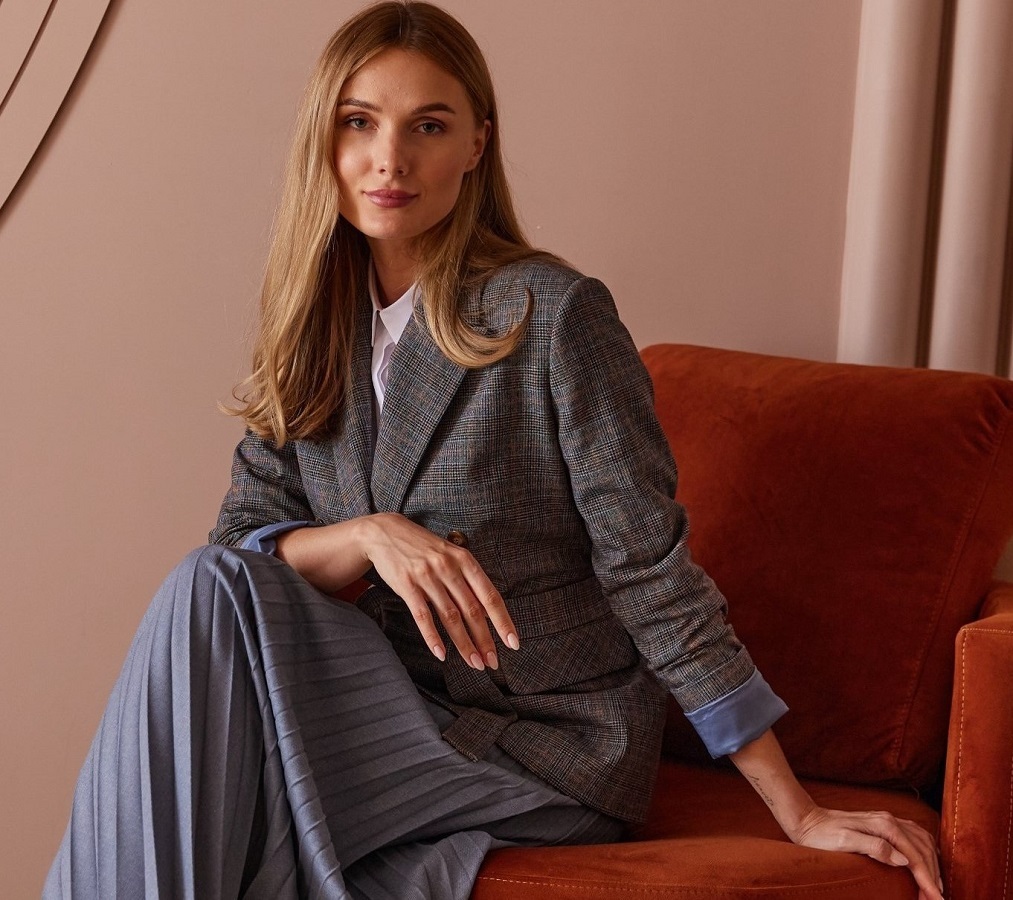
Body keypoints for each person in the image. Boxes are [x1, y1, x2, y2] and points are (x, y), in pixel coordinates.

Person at [45, 2, 944, 899]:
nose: (389, 159)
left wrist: (796, 810)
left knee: (205, 775)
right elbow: (241, 546)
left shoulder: (553, 316)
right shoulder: (312, 326)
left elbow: (648, 569)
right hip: (386, 705)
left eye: (427, 126)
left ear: (476, 142)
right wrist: (369, 536)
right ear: (323, 138)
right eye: (359, 122)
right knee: (208, 594)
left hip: (541, 742)